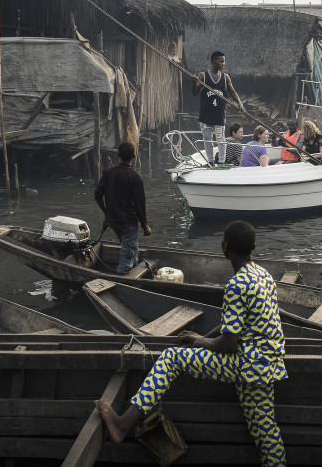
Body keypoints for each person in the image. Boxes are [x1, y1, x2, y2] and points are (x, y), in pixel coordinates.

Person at [94, 221, 287, 466]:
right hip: (269, 363)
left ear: (225, 248)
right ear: (253, 248)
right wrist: (200, 338)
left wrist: (203, 343)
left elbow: (228, 343)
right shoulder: (264, 275)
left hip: (246, 363)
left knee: (171, 358)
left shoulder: (237, 285)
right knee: (265, 430)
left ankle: (123, 424)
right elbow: (233, 323)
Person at [94, 141, 151, 275]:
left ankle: (135, 271)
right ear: (134, 156)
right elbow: (139, 206)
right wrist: (146, 227)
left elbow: (98, 195)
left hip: (113, 222)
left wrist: (106, 212)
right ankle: (123, 282)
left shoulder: (109, 171)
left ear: (118, 155)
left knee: (131, 249)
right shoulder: (135, 177)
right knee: (127, 257)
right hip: (128, 223)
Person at [192, 51, 247, 166]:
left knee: (221, 140)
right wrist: (194, 83)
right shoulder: (203, 76)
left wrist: (240, 104)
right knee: (207, 140)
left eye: (224, 61)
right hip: (206, 115)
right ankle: (211, 162)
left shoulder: (225, 77)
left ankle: (221, 162)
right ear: (213, 61)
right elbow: (194, 92)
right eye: (221, 61)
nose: (223, 63)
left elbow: (232, 92)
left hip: (220, 115)